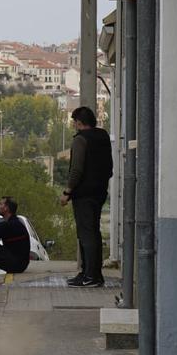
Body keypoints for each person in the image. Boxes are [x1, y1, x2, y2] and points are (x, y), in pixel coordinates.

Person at [59, 106, 113, 287]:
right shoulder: (103, 136)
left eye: (74, 122)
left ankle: (89, 276)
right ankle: (93, 273)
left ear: (79, 122)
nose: (73, 125)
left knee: (86, 234)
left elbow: (76, 169)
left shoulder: (81, 140)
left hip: (83, 194)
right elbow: (110, 167)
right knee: (94, 233)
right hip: (100, 192)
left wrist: (68, 191)